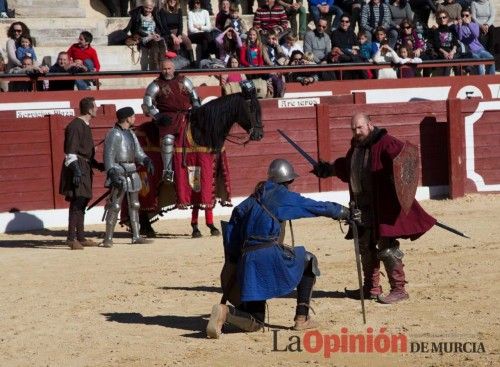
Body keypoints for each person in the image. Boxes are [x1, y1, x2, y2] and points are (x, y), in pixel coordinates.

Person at [206, 159, 354, 338]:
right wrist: (343, 212)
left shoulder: (253, 199)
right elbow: (316, 206)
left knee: (256, 320)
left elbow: (234, 223)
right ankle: (302, 318)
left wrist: (235, 262)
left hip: (247, 260)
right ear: (289, 181)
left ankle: (225, 313)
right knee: (308, 261)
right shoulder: (283, 197)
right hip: (268, 255)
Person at [312, 113, 436, 304]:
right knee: (365, 247)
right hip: (362, 206)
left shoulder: (386, 142)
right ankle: (371, 288)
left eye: (360, 127)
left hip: (382, 205)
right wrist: (329, 169)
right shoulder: (356, 148)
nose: (357, 131)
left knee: (387, 248)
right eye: (353, 129)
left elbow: (405, 160)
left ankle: (399, 289)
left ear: (370, 125)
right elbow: (349, 169)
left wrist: (394, 180)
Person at [142, 59, 220, 237]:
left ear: (174, 68)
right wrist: (157, 116)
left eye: (169, 68)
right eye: (164, 68)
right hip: (167, 119)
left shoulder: (184, 81)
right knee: (168, 140)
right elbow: (147, 103)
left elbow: (195, 98)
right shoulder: (156, 85)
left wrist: (197, 111)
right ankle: (168, 171)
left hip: (186, 116)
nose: (167, 71)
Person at [102, 107, 155, 247]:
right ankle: (108, 238)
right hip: (119, 172)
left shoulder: (131, 134)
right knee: (115, 206)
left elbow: (138, 153)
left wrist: (146, 160)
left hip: (132, 171)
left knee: (135, 205)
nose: (134, 118)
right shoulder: (114, 134)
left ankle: (136, 236)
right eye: (132, 116)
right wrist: (112, 173)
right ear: (127, 118)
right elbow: (108, 157)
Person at [59, 97, 104, 250]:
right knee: (77, 202)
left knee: (82, 201)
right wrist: (76, 170)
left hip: (84, 165)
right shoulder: (75, 126)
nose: (97, 109)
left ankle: (81, 237)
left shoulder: (84, 125)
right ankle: (71, 239)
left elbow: (84, 153)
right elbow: (70, 152)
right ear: (90, 109)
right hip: (76, 167)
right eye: (95, 107)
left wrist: (97, 165)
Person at [125, 0, 167, 71]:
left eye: (150, 8)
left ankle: (162, 66)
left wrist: (157, 35)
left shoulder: (154, 15)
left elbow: (158, 27)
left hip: (153, 36)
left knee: (161, 44)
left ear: (153, 8)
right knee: (155, 45)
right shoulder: (138, 15)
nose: (147, 10)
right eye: (146, 8)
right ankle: (155, 68)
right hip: (143, 37)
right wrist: (149, 35)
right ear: (143, 6)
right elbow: (136, 29)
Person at [456, 8, 496, 75]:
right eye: (462, 16)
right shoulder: (458, 26)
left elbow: (476, 35)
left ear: (470, 15)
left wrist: (469, 24)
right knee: (478, 62)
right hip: (470, 51)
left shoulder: (475, 24)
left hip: (479, 49)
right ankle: (480, 82)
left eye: (467, 15)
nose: (464, 17)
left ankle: (490, 79)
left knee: (491, 59)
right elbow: (460, 38)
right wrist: (459, 26)